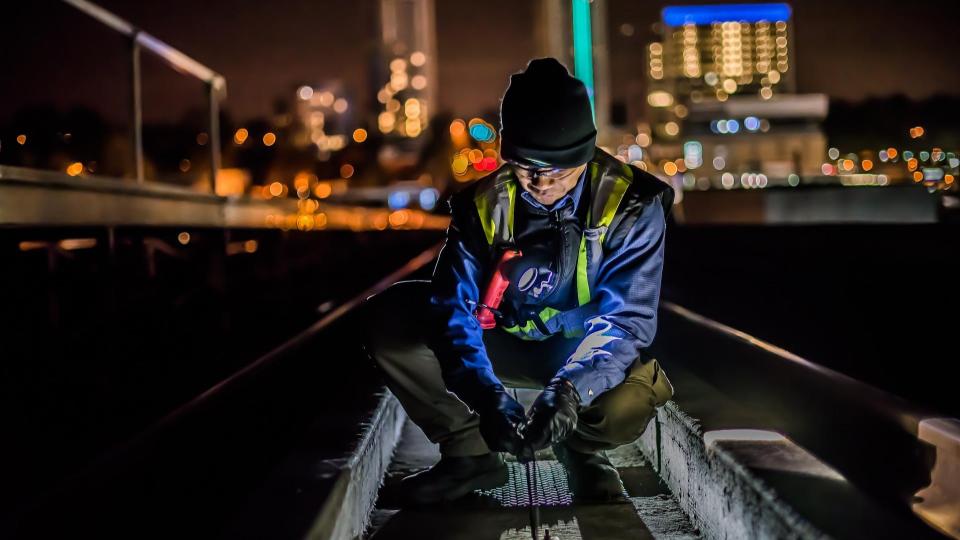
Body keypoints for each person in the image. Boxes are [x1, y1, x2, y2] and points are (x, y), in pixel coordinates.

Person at [364, 57, 674, 504]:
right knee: (389, 318)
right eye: (527, 166)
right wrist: (485, 395)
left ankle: (583, 453)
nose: (540, 182)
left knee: (624, 405)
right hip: (504, 343)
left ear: (584, 155)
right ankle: (469, 455)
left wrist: (567, 393)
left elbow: (626, 322)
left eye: (558, 170)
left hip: (581, 348)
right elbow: (453, 309)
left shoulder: (633, 205)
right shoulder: (482, 205)